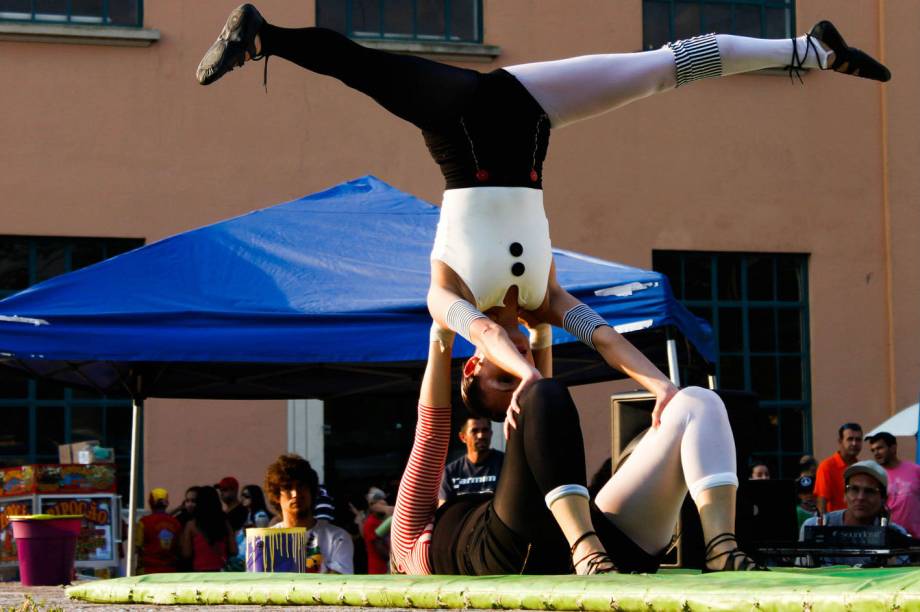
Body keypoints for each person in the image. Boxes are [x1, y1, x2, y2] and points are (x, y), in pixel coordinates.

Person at [196, 5, 890, 420]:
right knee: (662, 68)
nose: (520, 359)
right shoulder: (547, 300)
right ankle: (814, 50)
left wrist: (526, 382)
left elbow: (490, 340)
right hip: (529, 114)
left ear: (474, 367)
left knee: (364, 67)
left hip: (463, 125)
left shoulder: (450, 302)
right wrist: (662, 391)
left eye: (502, 373)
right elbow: (611, 340)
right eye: (520, 370)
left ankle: (265, 36)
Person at [387, 325, 760, 575]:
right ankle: (584, 548)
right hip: (509, 555)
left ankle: (721, 548)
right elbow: (431, 434)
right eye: (505, 376)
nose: (519, 375)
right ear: (472, 364)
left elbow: (546, 415)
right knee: (543, 393)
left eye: (522, 367)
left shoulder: (534, 424)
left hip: (585, 537)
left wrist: (540, 333)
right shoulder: (407, 541)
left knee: (696, 402)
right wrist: (441, 338)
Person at [799, 460, 910, 567]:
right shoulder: (813, 527)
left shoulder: (896, 536)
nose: (860, 497)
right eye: (854, 489)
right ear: (845, 495)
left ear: (883, 499)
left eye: (869, 491)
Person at [264, 453, 354, 574]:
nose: (295, 494)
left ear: (312, 491)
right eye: (287, 488)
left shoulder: (337, 538)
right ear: (276, 496)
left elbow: (339, 585)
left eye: (301, 486)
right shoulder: (265, 541)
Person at [439, 417, 504, 506]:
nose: (481, 435)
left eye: (485, 430)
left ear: (491, 433)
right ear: (463, 437)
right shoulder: (451, 472)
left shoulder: (504, 464)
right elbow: (444, 511)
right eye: (474, 431)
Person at [866, 431, 920, 538]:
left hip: (915, 539)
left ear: (893, 448)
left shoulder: (915, 470)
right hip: (887, 538)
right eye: (873, 450)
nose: (876, 453)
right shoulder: (875, 476)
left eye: (880, 448)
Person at [180, 485, 238, 571]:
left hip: (200, 572)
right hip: (220, 571)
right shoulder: (224, 523)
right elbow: (234, 551)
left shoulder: (191, 525)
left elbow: (186, 554)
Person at [814, 422, 863, 515]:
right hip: (835, 525)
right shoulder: (827, 467)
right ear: (840, 441)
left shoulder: (861, 467)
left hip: (858, 526)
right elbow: (821, 504)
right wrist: (823, 528)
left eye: (858, 440)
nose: (854, 443)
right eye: (850, 439)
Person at [136, 487, 182, 574]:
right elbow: (179, 547)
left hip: (148, 571)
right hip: (170, 571)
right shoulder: (176, 523)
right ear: (166, 503)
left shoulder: (144, 522)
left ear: (150, 502)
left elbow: (137, 547)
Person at [363, 487, 392, 575]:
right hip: (378, 572)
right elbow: (380, 549)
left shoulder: (383, 520)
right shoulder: (370, 523)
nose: (384, 503)